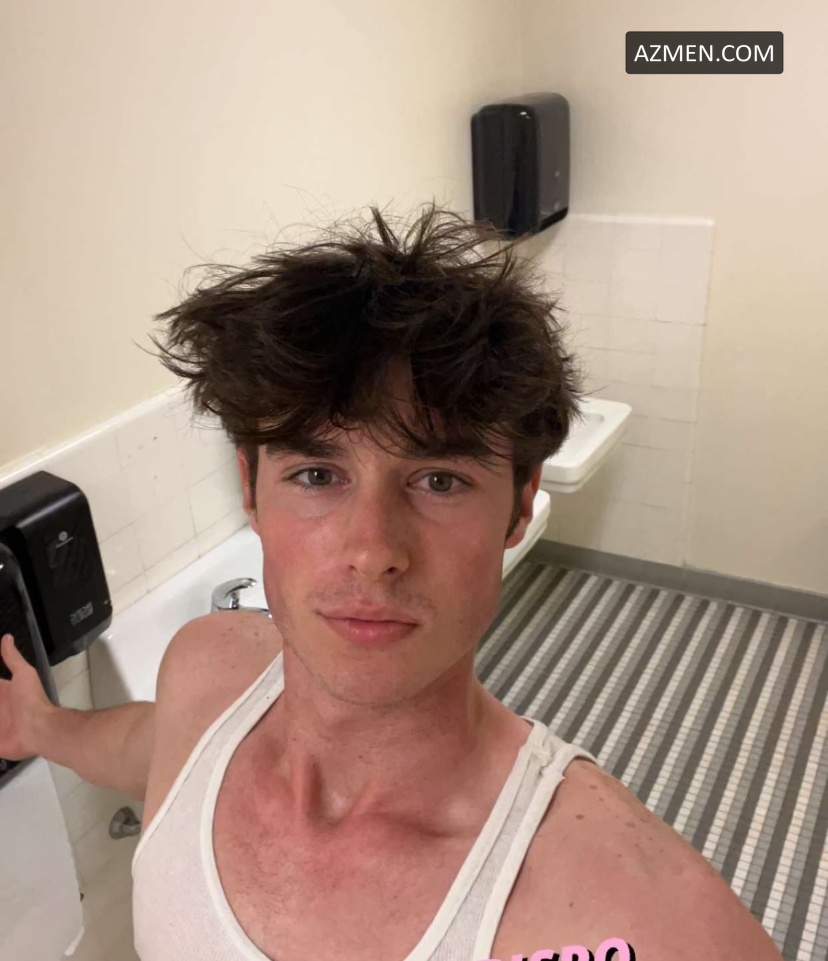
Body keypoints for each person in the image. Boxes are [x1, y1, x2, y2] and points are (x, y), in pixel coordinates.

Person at [0, 204, 782, 961]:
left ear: (519, 504)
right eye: (317, 474)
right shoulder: (205, 671)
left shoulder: (630, 914)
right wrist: (40, 725)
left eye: (439, 480)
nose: (373, 551)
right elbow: (151, 746)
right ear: (251, 489)